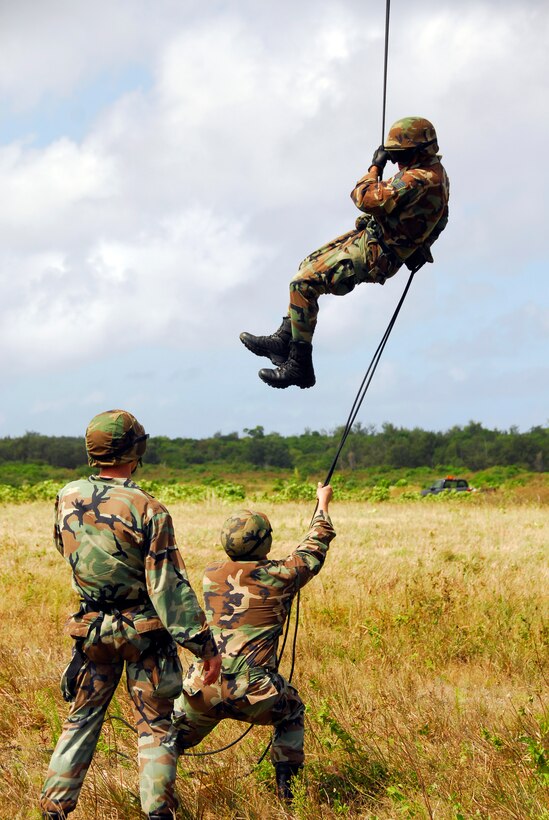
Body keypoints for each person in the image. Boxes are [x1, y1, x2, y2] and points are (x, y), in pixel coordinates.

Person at [40, 409, 221, 820]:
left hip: (91, 630)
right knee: (156, 728)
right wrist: (203, 646)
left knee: (80, 720)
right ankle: (158, 813)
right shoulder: (149, 508)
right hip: (144, 633)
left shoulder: (67, 495)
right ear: (136, 450)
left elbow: (64, 547)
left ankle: (54, 809)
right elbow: (168, 586)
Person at [240, 116, 450, 389]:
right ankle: (285, 339)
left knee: (303, 284)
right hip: (373, 238)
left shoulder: (418, 178)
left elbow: (363, 197)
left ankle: (299, 365)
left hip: (376, 253)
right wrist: (420, 245)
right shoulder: (437, 172)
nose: (397, 161)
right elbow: (442, 217)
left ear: (417, 151)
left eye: (400, 155)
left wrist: (375, 165)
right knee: (308, 263)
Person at [172, 482, 335, 801]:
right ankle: (288, 794)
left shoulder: (211, 575)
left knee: (167, 739)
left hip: (201, 687)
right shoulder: (282, 575)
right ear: (265, 543)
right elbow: (316, 544)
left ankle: (155, 795)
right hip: (255, 692)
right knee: (292, 710)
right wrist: (322, 504)